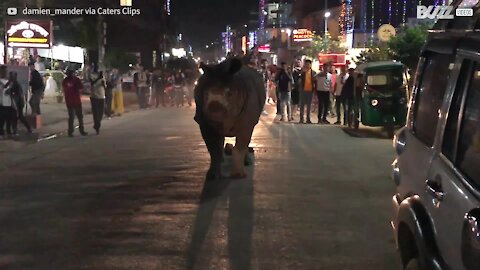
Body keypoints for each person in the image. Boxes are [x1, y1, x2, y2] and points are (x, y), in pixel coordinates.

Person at [63, 69, 88, 137]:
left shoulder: (74, 80)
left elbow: (81, 87)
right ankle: (72, 131)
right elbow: (80, 87)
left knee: (77, 117)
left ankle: (77, 131)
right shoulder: (67, 80)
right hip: (72, 101)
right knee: (73, 117)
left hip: (75, 101)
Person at [298, 59, 317, 124]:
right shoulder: (302, 72)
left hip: (310, 90)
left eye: (309, 64)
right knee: (302, 105)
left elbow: (315, 81)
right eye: (306, 64)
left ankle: (308, 119)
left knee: (309, 106)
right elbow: (299, 77)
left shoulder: (313, 72)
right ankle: (301, 119)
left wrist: (315, 90)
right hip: (303, 90)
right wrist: (302, 72)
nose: (307, 65)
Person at [90, 69, 106, 135]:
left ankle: (97, 125)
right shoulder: (92, 75)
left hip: (102, 96)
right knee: (95, 113)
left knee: (101, 113)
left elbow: (105, 86)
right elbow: (92, 83)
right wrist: (98, 78)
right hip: (94, 97)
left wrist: (103, 83)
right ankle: (97, 127)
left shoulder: (103, 78)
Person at [0, 65, 13, 139]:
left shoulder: (8, 80)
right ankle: (1, 133)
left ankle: (8, 132)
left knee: (9, 118)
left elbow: (10, 89)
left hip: (9, 102)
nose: (5, 72)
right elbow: (3, 88)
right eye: (4, 71)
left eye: (6, 71)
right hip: (2, 103)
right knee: (2, 119)